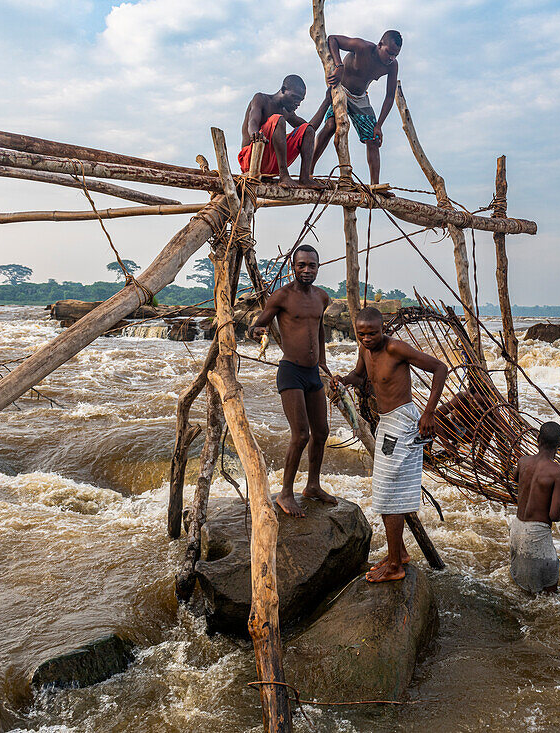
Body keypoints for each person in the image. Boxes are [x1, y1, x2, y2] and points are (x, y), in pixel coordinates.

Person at [330, 307, 448, 582]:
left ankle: (395, 565)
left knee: (389, 494)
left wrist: (429, 412)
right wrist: (343, 381)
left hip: (403, 423)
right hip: (387, 423)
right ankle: (400, 553)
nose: (368, 338)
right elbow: (360, 378)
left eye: (373, 333)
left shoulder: (395, 348)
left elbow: (439, 368)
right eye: (362, 334)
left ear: (383, 329)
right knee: (384, 491)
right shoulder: (364, 349)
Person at [248, 245, 336, 517]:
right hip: (291, 371)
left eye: (312, 265)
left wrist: (323, 364)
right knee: (301, 434)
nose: (307, 270)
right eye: (302, 265)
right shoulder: (281, 297)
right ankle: (286, 493)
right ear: (293, 267)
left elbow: (319, 329)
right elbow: (255, 325)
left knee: (321, 433)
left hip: (313, 373)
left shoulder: (322, 297)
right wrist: (257, 330)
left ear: (318, 267)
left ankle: (312, 485)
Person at [313, 30, 402, 185]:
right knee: (330, 126)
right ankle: (308, 172)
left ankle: (375, 186)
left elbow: (389, 97)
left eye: (395, 55)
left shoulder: (392, 65)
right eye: (389, 53)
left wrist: (379, 125)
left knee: (373, 139)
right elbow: (332, 39)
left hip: (361, 98)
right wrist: (339, 65)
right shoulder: (362, 47)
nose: (391, 58)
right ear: (380, 45)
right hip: (341, 90)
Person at [509, 421, 560, 594]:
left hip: (517, 528)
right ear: (559, 445)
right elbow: (554, 514)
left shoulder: (523, 461)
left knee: (522, 587)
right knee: (549, 594)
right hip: (537, 535)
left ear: (538, 439)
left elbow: (515, 478)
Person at [238, 75, 325, 188]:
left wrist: (326, 102)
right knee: (278, 119)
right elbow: (252, 122)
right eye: (295, 97)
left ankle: (305, 178)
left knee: (306, 129)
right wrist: (255, 134)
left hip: (272, 164)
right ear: (283, 90)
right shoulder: (261, 99)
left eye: (300, 100)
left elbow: (310, 130)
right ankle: (284, 175)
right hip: (252, 159)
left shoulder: (287, 112)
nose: (297, 103)